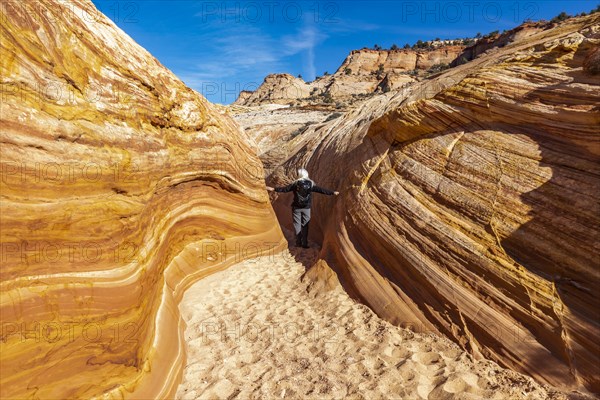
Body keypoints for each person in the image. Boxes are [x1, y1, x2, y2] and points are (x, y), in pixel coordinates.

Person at [266, 168, 339, 248]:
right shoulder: (310, 184)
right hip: (306, 207)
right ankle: (304, 244)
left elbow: (285, 189)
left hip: (296, 207)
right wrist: (332, 192)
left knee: (297, 225)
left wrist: (273, 189)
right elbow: (320, 190)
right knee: (305, 225)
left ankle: (298, 243)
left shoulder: (295, 183)